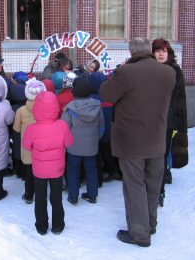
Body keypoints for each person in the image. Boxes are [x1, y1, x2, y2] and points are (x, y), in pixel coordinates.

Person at [99, 37, 175, 247]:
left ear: (131, 52)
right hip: (157, 139)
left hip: (131, 141)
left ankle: (140, 234)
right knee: (152, 184)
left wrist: (119, 72)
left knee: (134, 187)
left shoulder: (126, 73)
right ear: (150, 50)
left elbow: (106, 93)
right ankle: (150, 223)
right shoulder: (169, 73)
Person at [22, 91, 74, 235]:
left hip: (39, 169)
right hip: (57, 169)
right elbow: (69, 142)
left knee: (40, 197)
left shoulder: (31, 128)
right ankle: (58, 225)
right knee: (56, 196)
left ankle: (41, 225)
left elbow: (27, 146)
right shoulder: (62, 125)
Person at [152, 38, 188, 207]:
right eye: (158, 50)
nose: (161, 54)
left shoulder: (174, 70)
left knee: (162, 155)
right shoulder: (150, 69)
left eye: (164, 51)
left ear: (169, 53)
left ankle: (159, 191)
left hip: (166, 119)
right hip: (150, 119)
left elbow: (167, 93)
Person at [61, 76, 104, 205]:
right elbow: (101, 128)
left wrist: (67, 144)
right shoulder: (97, 106)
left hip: (73, 147)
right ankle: (92, 195)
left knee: (73, 170)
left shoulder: (70, 108)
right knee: (91, 170)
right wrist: (95, 141)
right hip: (91, 147)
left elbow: (64, 129)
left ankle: (73, 196)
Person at [13, 80, 47, 204]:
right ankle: (41, 195)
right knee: (41, 172)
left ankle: (28, 195)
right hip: (43, 146)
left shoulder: (21, 111)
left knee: (29, 172)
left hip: (28, 147)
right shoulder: (47, 109)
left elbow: (16, 128)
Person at [88, 71, 122, 183]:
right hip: (109, 130)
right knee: (108, 152)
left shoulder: (89, 99)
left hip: (94, 131)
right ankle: (114, 170)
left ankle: (111, 172)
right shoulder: (108, 97)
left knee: (100, 154)